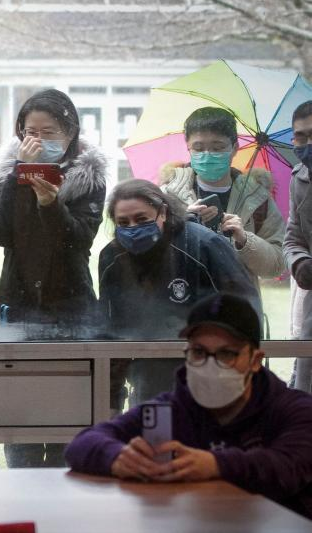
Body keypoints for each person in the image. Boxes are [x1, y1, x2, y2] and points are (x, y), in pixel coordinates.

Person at [65, 292, 312, 533]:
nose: (210, 365)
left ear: (255, 360)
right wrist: (116, 455)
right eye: (198, 352)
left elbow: (289, 466)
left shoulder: (293, 411)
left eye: (226, 354)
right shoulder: (171, 410)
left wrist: (215, 464)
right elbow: (83, 443)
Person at [98, 179, 261, 404]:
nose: (133, 228)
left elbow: (245, 309)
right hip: (148, 377)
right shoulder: (112, 258)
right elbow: (111, 331)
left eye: (142, 219)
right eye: (123, 222)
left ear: (163, 212)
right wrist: (112, 399)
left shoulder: (203, 245)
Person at [0, 88, 107, 341]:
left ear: (70, 133)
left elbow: (80, 239)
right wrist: (19, 174)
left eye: (49, 132)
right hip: (17, 300)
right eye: (31, 133)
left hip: (70, 305)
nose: (38, 141)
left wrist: (51, 205)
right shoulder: (9, 173)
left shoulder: (88, 176)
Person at [160, 107, 286, 287]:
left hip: (238, 299)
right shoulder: (168, 194)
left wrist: (244, 239)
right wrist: (182, 223)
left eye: (217, 148)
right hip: (183, 298)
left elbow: (277, 265)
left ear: (235, 148)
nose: (207, 155)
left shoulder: (257, 198)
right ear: (188, 147)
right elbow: (149, 253)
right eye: (198, 148)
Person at [285, 100, 312, 392]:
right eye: (300, 137)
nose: (307, 144)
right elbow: (293, 236)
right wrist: (300, 262)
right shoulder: (299, 178)